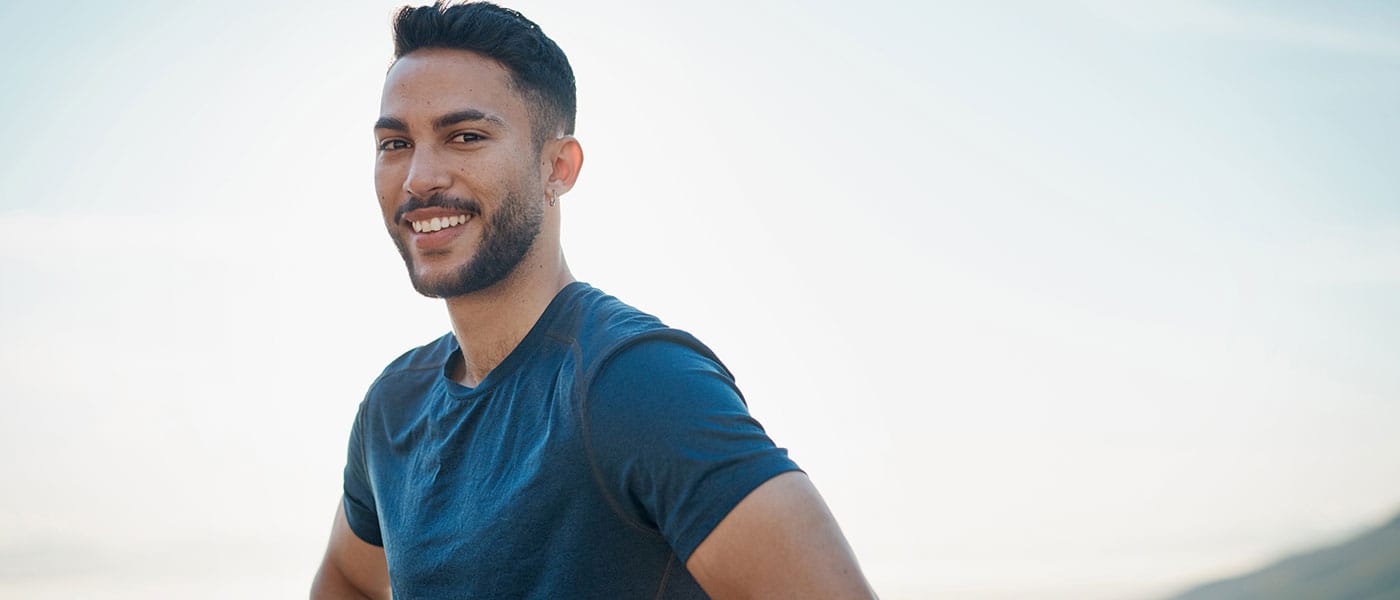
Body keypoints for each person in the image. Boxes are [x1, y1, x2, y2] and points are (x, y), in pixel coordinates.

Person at [310, 2, 875, 598]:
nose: (419, 177)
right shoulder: (394, 408)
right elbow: (349, 578)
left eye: (465, 136)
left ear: (557, 167)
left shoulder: (637, 381)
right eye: (395, 143)